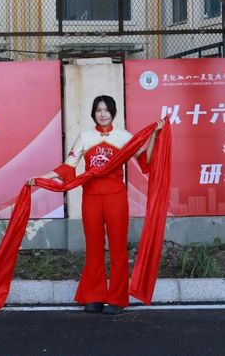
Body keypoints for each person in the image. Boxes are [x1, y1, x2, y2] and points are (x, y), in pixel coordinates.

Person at [26, 95, 164, 315]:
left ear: (113, 112)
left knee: (118, 249)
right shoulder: (85, 137)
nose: (103, 114)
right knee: (94, 248)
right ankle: (94, 297)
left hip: (116, 198)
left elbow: (145, 162)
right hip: (90, 199)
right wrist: (41, 178)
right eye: (98, 110)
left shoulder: (124, 137)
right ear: (93, 113)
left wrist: (155, 135)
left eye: (107, 110)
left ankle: (117, 299)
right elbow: (68, 167)